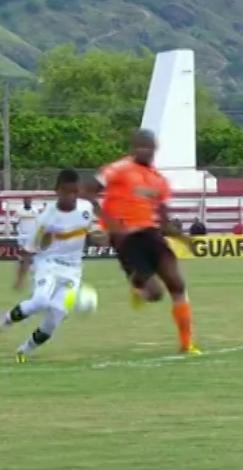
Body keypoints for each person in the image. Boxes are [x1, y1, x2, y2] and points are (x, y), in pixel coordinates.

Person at [86, 129, 201, 355]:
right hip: (125, 238)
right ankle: (138, 288)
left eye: (148, 147)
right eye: (139, 147)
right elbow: (88, 190)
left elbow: (165, 221)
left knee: (177, 284)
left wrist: (184, 239)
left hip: (150, 234)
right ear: (132, 148)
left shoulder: (158, 181)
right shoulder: (117, 169)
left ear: (154, 149)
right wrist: (104, 223)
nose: (144, 151)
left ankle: (186, 344)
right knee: (155, 294)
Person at [0, 169, 99, 363]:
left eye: (75, 192)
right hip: (48, 265)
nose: (72, 196)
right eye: (67, 192)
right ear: (57, 191)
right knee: (40, 301)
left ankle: (23, 352)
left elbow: (92, 234)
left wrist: (106, 239)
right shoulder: (46, 217)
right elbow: (29, 249)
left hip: (73, 272)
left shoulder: (86, 208)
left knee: (56, 316)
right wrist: (20, 277)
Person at [13, 197, 38, 290]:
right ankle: (26, 267)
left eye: (29, 200)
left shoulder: (35, 210)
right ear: (23, 202)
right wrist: (15, 231)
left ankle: (29, 268)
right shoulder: (19, 211)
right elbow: (14, 222)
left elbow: (39, 221)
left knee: (30, 253)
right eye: (26, 201)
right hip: (22, 234)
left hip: (32, 235)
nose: (28, 202)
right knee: (23, 253)